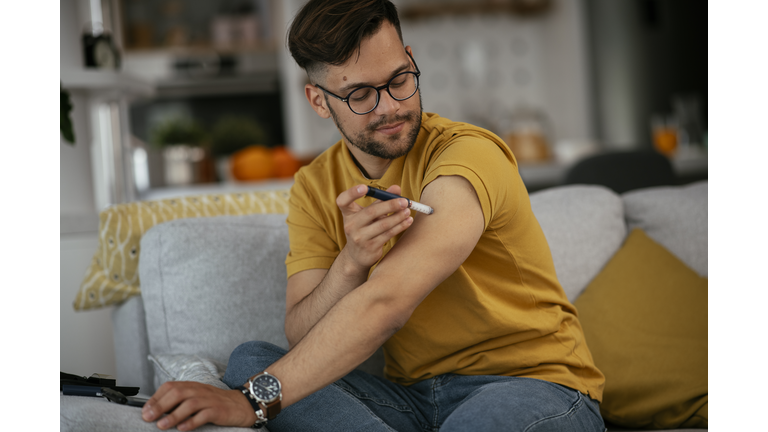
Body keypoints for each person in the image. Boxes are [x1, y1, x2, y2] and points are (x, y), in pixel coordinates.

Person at [141, 0, 606, 430]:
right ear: (319, 101)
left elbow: (388, 304)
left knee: (256, 386)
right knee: (250, 360)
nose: (391, 108)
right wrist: (351, 262)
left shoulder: (467, 154)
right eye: (361, 94)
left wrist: (251, 403)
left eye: (400, 79)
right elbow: (300, 334)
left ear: (409, 56)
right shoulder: (315, 186)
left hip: (533, 385)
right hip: (415, 400)